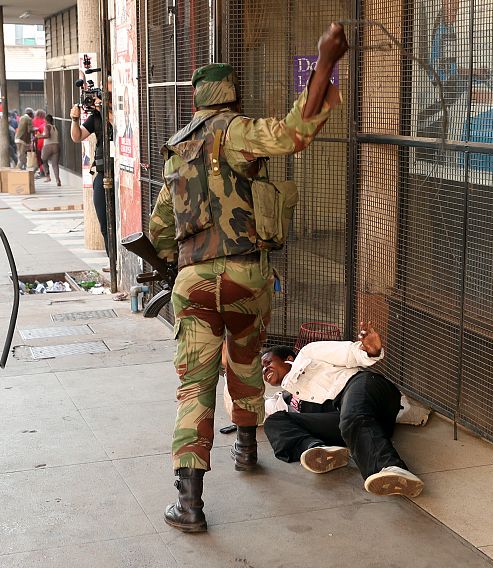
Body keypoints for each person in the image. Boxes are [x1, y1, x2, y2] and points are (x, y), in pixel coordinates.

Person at [147, 23, 348, 533]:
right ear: (232, 96)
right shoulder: (236, 131)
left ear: (196, 101)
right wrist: (325, 62)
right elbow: (294, 133)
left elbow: (159, 231)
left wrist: (173, 264)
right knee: (245, 361)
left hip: (193, 282)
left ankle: (189, 504)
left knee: (194, 387)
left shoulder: (177, 151)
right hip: (246, 277)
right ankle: (244, 449)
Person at [262, 323, 425, 498]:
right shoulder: (285, 399)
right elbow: (252, 413)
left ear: (288, 358)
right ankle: (319, 450)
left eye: (267, 362)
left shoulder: (308, 353)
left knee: (352, 416)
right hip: (354, 426)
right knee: (274, 421)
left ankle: (392, 468)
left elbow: (349, 353)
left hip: (365, 388)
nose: (264, 369)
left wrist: (370, 352)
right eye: (262, 369)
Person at [69, 97, 114, 257]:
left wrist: (105, 109)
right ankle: (113, 261)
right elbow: (77, 137)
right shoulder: (96, 117)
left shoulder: (121, 111)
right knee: (105, 222)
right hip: (103, 173)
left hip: (122, 174)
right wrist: (74, 119)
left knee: (120, 222)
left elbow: (117, 126)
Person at [37, 114, 61, 186]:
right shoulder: (54, 127)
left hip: (48, 146)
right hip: (56, 145)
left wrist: (40, 136)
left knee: (43, 160)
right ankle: (57, 180)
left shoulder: (47, 126)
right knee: (55, 164)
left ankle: (47, 176)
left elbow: (47, 135)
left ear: (46, 120)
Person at [33, 109, 46, 178]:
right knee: (44, 157)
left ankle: (41, 171)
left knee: (39, 157)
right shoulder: (44, 122)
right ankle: (43, 171)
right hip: (45, 141)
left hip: (38, 142)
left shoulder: (34, 121)